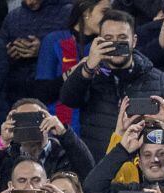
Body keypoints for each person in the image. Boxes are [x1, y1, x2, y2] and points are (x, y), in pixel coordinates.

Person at [58, 9, 164, 161]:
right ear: (99, 42)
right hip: (98, 165)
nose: (116, 44)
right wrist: (88, 67)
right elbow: (68, 99)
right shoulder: (90, 75)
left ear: (134, 41)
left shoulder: (159, 80)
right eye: (109, 38)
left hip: (143, 166)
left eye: (122, 38)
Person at [0, 99, 94, 193]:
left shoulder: (65, 154)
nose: (29, 125)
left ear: (47, 120)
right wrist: (2, 142)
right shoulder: (4, 155)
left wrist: (64, 133)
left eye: (34, 118)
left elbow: (89, 174)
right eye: (23, 120)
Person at [35, 0, 112, 133]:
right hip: (58, 128)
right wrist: (77, 71)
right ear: (86, 12)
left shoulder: (107, 46)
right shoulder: (54, 41)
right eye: (104, 12)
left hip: (97, 129)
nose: (108, 18)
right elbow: (42, 93)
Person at [0, 0, 71, 105]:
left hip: (53, 96)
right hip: (15, 95)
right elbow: (0, 57)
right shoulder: (13, 16)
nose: (30, 3)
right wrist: (8, 54)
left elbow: (77, 53)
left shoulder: (68, 13)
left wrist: (43, 51)